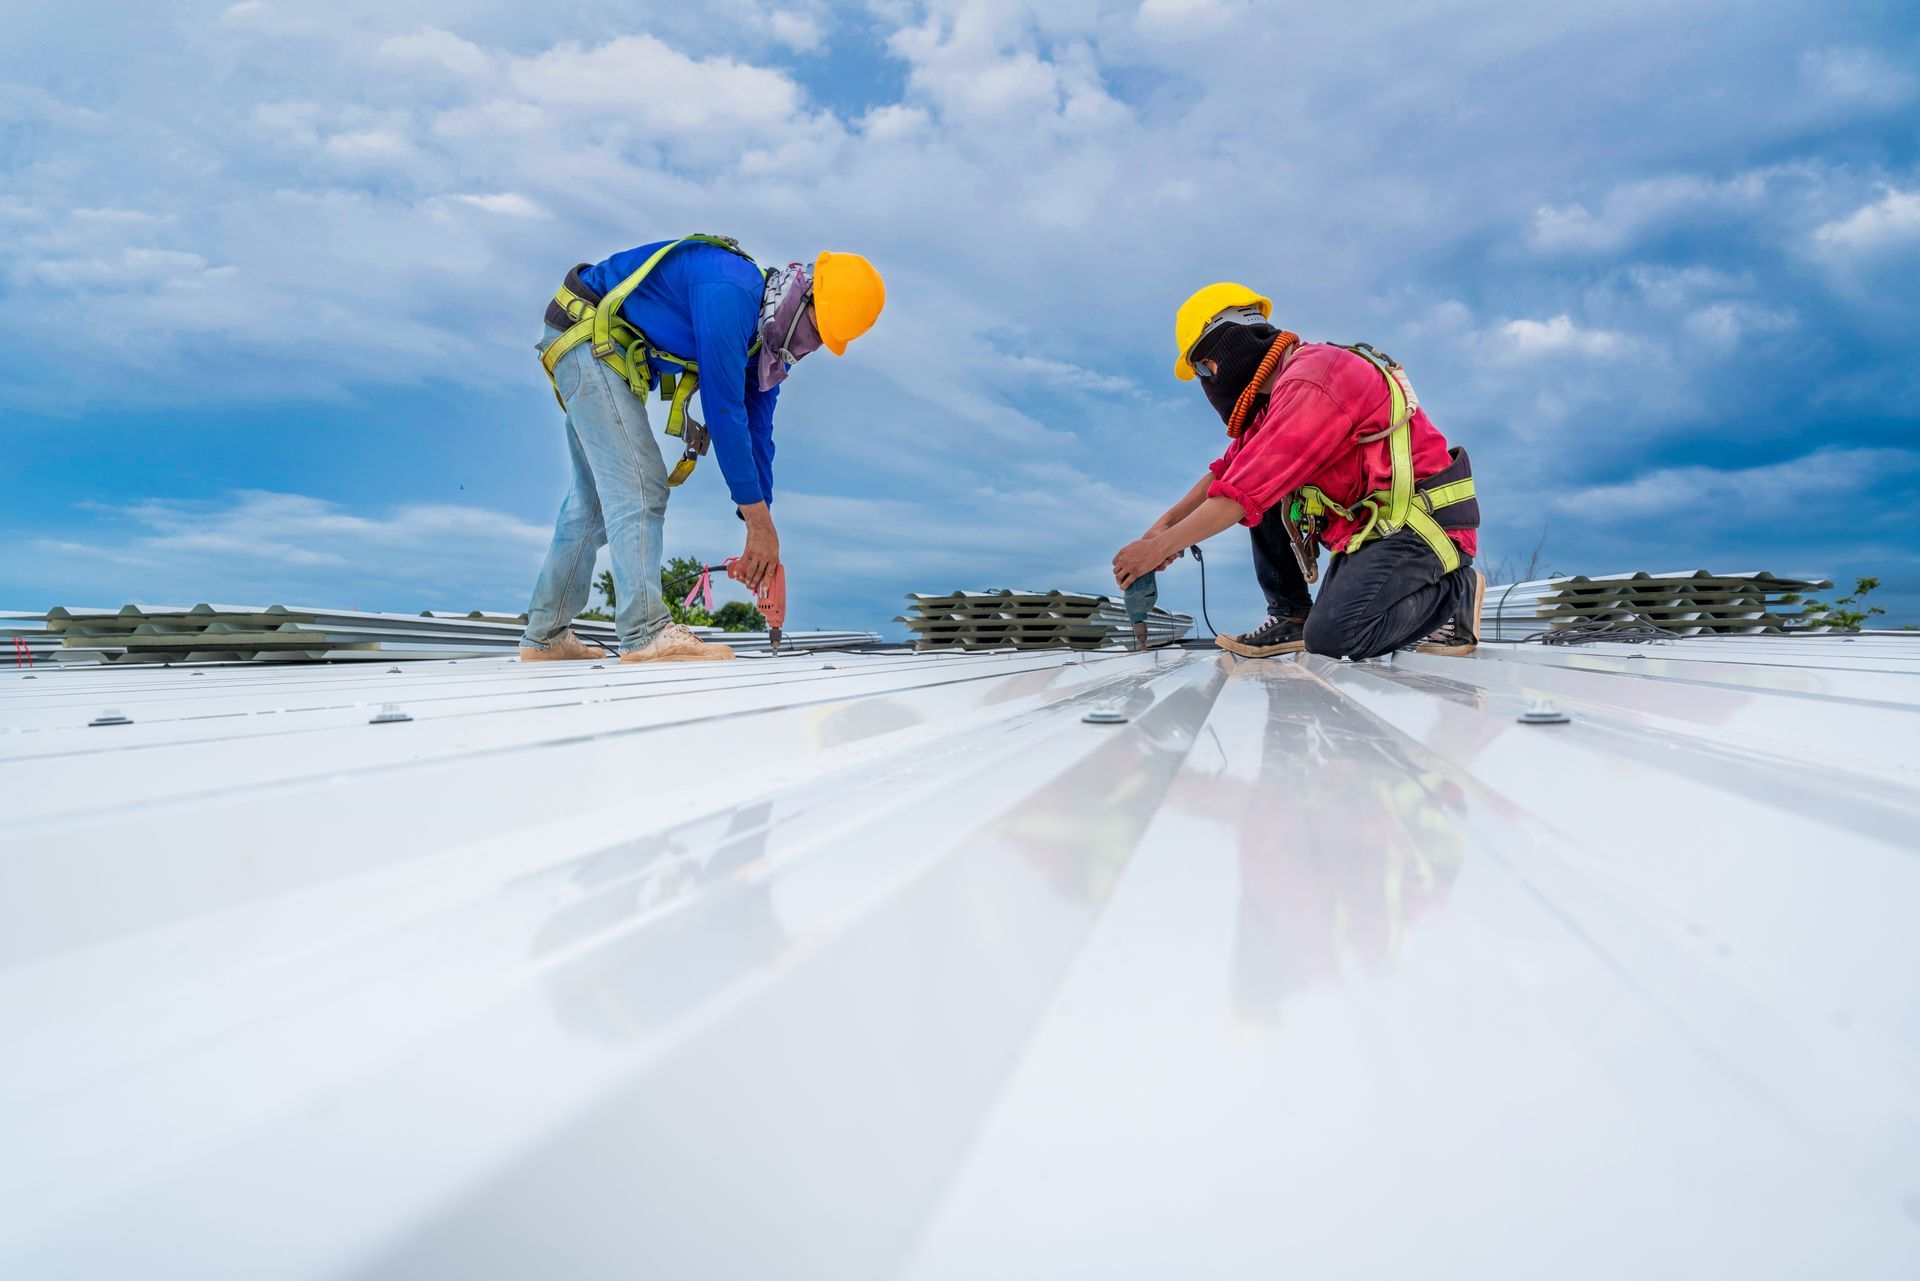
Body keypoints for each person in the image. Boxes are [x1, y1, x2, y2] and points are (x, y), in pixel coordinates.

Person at [519, 235, 884, 663]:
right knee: (642, 486)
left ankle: (546, 637)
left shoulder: (762, 344)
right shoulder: (732, 293)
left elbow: (757, 431)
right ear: (803, 298)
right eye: (817, 332)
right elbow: (723, 410)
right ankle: (644, 633)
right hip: (585, 336)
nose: (811, 347)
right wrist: (758, 524)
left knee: (594, 502)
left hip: (596, 345)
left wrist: (759, 523)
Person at [1113, 283, 1483, 660]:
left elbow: (1241, 493)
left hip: (1419, 526)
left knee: (1336, 637)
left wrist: (1157, 550)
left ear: (1218, 352)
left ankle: (1454, 595)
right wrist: (1162, 527)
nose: (1208, 379)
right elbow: (1228, 473)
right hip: (1375, 529)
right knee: (1257, 478)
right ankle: (1291, 614)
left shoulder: (1315, 378)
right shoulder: (1275, 401)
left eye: (1202, 368)